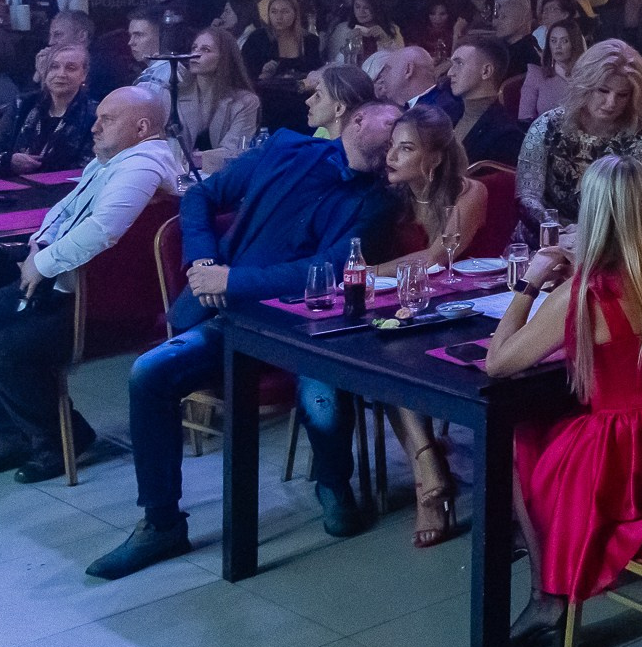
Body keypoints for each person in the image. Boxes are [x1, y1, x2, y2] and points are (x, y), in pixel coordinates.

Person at [86, 100, 405, 580]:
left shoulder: (378, 200)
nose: (399, 130)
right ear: (357, 119)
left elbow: (330, 270)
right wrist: (202, 263)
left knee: (322, 395)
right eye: (391, 121)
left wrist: (231, 280)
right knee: (148, 374)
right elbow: (199, 198)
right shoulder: (284, 149)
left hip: (309, 327)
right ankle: (161, 523)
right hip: (232, 320)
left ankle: (335, 484)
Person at [486, 153, 642, 647]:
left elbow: (498, 363)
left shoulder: (584, 296)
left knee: (522, 439)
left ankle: (549, 594)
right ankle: (552, 592)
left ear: (593, 214)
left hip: (620, 452)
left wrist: (532, 283)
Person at [0, 88, 183, 483]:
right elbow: (66, 209)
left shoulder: (143, 165)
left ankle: (62, 440)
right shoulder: (113, 159)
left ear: (142, 127)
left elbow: (102, 230)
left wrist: (41, 263)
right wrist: (39, 243)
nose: (94, 126)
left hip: (109, 305)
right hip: (69, 285)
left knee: (4, 353)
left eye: (106, 119)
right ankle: (15, 436)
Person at [379, 103, 483, 545]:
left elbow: (438, 259)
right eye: (391, 146)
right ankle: (427, 472)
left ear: (434, 157)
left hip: (462, 308)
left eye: (405, 149)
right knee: (383, 352)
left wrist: (371, 271)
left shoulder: (470, 192)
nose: (391, 157)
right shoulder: (384, 195)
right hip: (394, 305)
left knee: (395, 354)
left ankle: (428, 477)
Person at [515, 39, 642, 229]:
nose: (611, 103)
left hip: (615, 241)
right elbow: (527, 197)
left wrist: (597, 238)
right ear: (584, 86)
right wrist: (559, 233)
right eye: (603, 90)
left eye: (622, 95)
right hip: (546, 240)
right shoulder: (547, 126)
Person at [173, 24, 260, 173]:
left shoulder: (246, 102)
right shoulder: (176, 94)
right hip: (180, 175)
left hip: (223, 178)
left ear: (224, 58)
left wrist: (198, 157)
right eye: (194, 48)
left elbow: (233, 152)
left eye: (205, 49)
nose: (195, 54)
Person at [4, 44, 98, 174]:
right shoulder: (22, 104)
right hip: (11, 184)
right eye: (54, 67)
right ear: (45, 71)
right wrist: (7, 159)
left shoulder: (94, 115)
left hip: (63, 189)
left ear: (84, 74)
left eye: (71, 68)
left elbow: (89, 168)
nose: (61, 74)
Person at [438, 35, 522, 165]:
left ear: (486, 71)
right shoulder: (446, 114)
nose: (450, 72)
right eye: (452, 64)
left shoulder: (505, 135)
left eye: (459, 63)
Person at [240, 0, 322, 85]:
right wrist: (264, 75)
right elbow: (245, 75)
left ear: (295, 14)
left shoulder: (309, 40)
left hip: (299, 95)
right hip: (265, 93)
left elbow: (316, 77)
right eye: (274, 12)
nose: (279, 17)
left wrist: (298, 83)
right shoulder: (257, 38)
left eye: (285, 12)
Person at [520, 17, 584, 122]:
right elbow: (524, 118)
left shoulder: (587, 75)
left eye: (565, 41)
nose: (558, 46)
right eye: (553, 41)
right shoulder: (536, 74)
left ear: (574, 44)